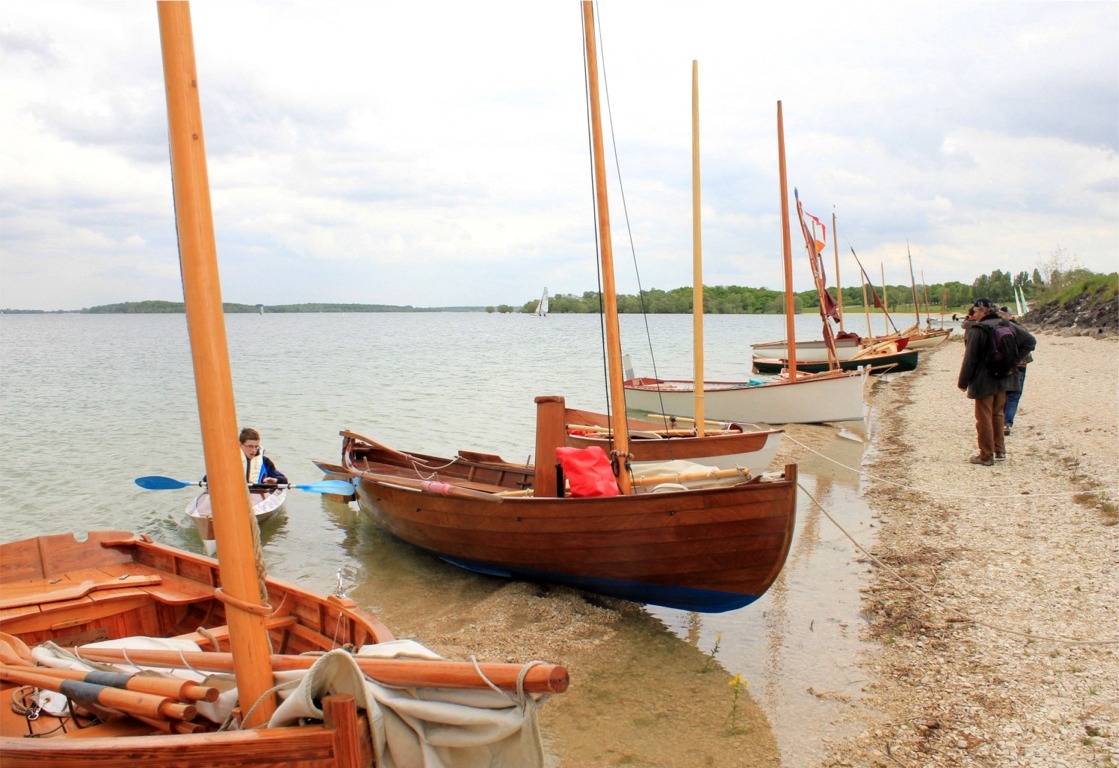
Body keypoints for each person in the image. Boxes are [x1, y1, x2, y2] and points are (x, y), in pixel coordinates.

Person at [957, 298, 1036, 465]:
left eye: (976, 311)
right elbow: (1030, 341)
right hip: (1005, 376)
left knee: (983, 416)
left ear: (983, 311)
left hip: (985, 379)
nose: (974, 315)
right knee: (998, 413)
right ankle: (999, 450)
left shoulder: (978, 330)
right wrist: (1013, 361)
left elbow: (970, 359)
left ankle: (986, 455)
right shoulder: (1007, 324)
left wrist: (963, 383)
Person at [998, 307, 1032, 435]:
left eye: (1002, 314)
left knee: (1009, 395)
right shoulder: (1021, 328)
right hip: (1018, 365)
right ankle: (1006, 423)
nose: (1000, 316)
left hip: (1011, 366)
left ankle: (1004, 423)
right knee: (1011, 396)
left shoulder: (1000, 328)